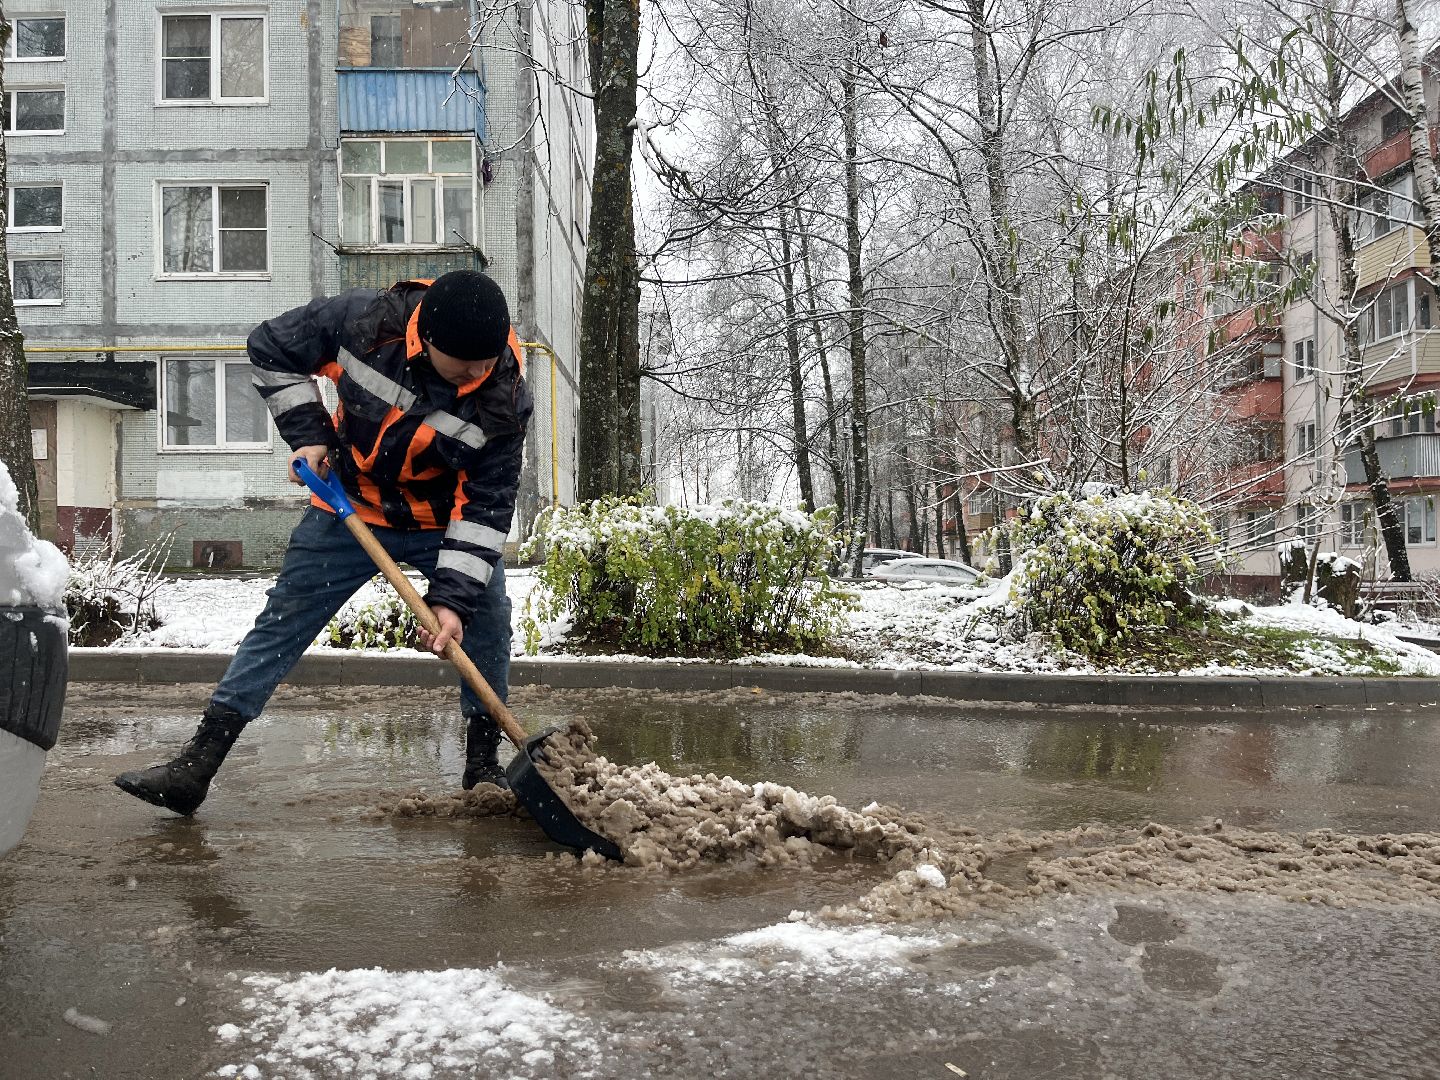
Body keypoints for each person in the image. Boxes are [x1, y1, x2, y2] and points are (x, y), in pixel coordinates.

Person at [115, 270, 532, 815]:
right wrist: (309, 436)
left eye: (487, 362)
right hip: (349, 506)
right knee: (282, 622)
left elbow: (485, 508)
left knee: (487, 617)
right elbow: (269, 348)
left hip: (441, 525)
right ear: (425, 340)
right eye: (465, 366)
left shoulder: (504, 396)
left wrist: (453, 601)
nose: (477, 374)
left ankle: (483, 767)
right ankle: (196, 766)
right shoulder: (360, 324)